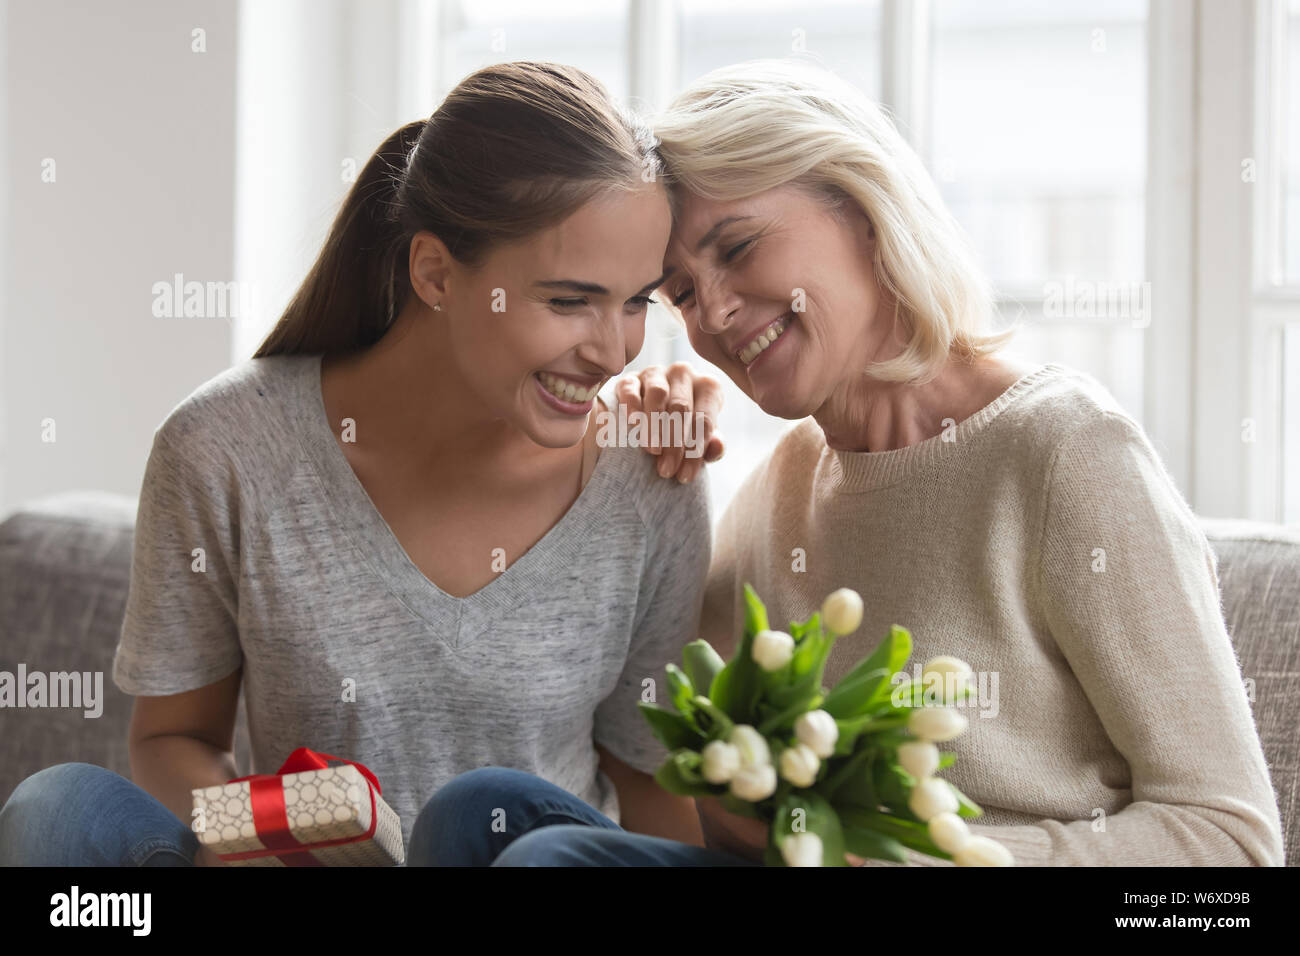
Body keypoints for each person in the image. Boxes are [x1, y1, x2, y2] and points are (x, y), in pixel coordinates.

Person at [437, 58, 1285, 867]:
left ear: (862, 211)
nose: (718, 314)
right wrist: (614, 453)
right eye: (684, 294)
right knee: (477, 812)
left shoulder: (1063, 452)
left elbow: (1234, 843)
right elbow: (686, 757)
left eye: (738, 249)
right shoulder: (782, 489)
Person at [0, 61, 726, 867]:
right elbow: (175, 737)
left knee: (476, 816)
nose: (614, 351)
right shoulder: (225, 447)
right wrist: (269, 834)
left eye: (636, 304)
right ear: (436, 273)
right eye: (568, 301)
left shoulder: (652, 471)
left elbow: (652, 780)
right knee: (57, 812)